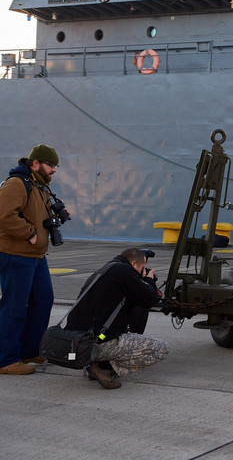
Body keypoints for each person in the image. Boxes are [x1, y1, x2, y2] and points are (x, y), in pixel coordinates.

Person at [66, 248, 169, 389]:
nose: (142, 271)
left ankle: (97, 363)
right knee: (161, 348)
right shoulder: (123, 271)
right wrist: (148, 280)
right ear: (133, 264)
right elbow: (149, 299)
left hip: (78, 341)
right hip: (97, 343)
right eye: (141, 267)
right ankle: (103, 367)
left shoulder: (106, 270)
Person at [0, 144, 61, 376]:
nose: (54, 170)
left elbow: (36, 214)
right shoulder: (17, 183)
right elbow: (4, 215)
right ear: (35, 163)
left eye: (56, 166)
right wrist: (30, 233)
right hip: (16, 254)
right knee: (15, 307)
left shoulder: (39, 185)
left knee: (44, 300)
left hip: (36, 257)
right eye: (51, 165)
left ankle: (28, 350)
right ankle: (5, 359)